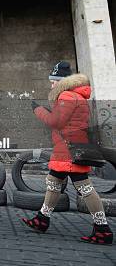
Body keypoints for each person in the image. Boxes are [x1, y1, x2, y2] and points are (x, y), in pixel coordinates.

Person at [22, 61, 112, 245]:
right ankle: (42, 219)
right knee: (54, 182)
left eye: (54, 81)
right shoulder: (76, 96)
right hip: (67, 147)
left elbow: (56, 122)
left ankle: (103, 229)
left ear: (63, 81)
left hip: (69, 150)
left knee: (85, 188)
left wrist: (38, 110)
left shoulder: (67, 95)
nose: (51, 84)